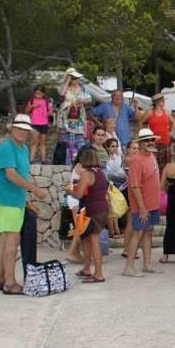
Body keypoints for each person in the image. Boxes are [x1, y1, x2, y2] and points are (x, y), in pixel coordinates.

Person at [0, 115, 47, 294]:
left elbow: (18, 175)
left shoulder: (21, 148)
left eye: (25, 130)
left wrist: (25, 199)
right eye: (20, 129)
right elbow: (11, 175)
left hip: (13, 200)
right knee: (12, 242)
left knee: (7, 241)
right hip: (6, 201)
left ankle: (0, 279)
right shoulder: (7, 147)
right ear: (12, 129)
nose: (23, 132)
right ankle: (9, 283)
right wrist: (34, 190)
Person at [122, 128, 164, 278]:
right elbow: (134, 186)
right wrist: (142, 207)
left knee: (149, 232)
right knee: (138, 232)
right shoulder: (137, 161)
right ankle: (129, 267)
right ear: (140, 143)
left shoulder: (151, 156)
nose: (150, 142)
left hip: (152, 204)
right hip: (143, 206)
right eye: (146, 140)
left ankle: (147, 264)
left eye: (152, 140)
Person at [65, 148, 108, 283]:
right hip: (102, 208)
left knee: (93, 240)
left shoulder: (86, 174)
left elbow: (78, 194)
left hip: (92, 210)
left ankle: (99, 273)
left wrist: (69, 191)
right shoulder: (101, 172)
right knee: (86, 239)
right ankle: (86, 268)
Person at [56, 68, 91, 164]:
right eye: (74, 78)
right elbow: (62, 94)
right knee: (68, 143)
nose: (76, 80)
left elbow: (89, 99)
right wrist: (67, 80)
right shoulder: (64, 87)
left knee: (80, 142)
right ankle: (68, 163)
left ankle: (80, 163)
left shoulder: (83, 88)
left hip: (78, 117)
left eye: (77, 78)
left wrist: (81, 101)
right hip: (67, 117)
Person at [139, 93, 175, 170]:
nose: (164, 103)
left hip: (165, 141)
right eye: (162, 101)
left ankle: (163, 180)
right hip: (153, 142)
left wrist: (169, 132)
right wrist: (144, 135)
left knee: (166, 164)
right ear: (157, 102)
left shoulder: (166, 112)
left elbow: (173, 122)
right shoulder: (150, 112)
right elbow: (140, 122)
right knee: (153, 163)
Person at [26, 85, 51, 163]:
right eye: (36, 93)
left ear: (43, 94)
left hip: (44, 123)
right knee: (34, 142)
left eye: (39, 93)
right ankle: (31, 159)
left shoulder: (46, 102)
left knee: (43, 142)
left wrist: (48, 113)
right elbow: (26, 111)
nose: (37, 95)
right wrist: (32, 106)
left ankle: (43, 159)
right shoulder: (31, 101)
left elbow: (50, 112)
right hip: (34, 123)